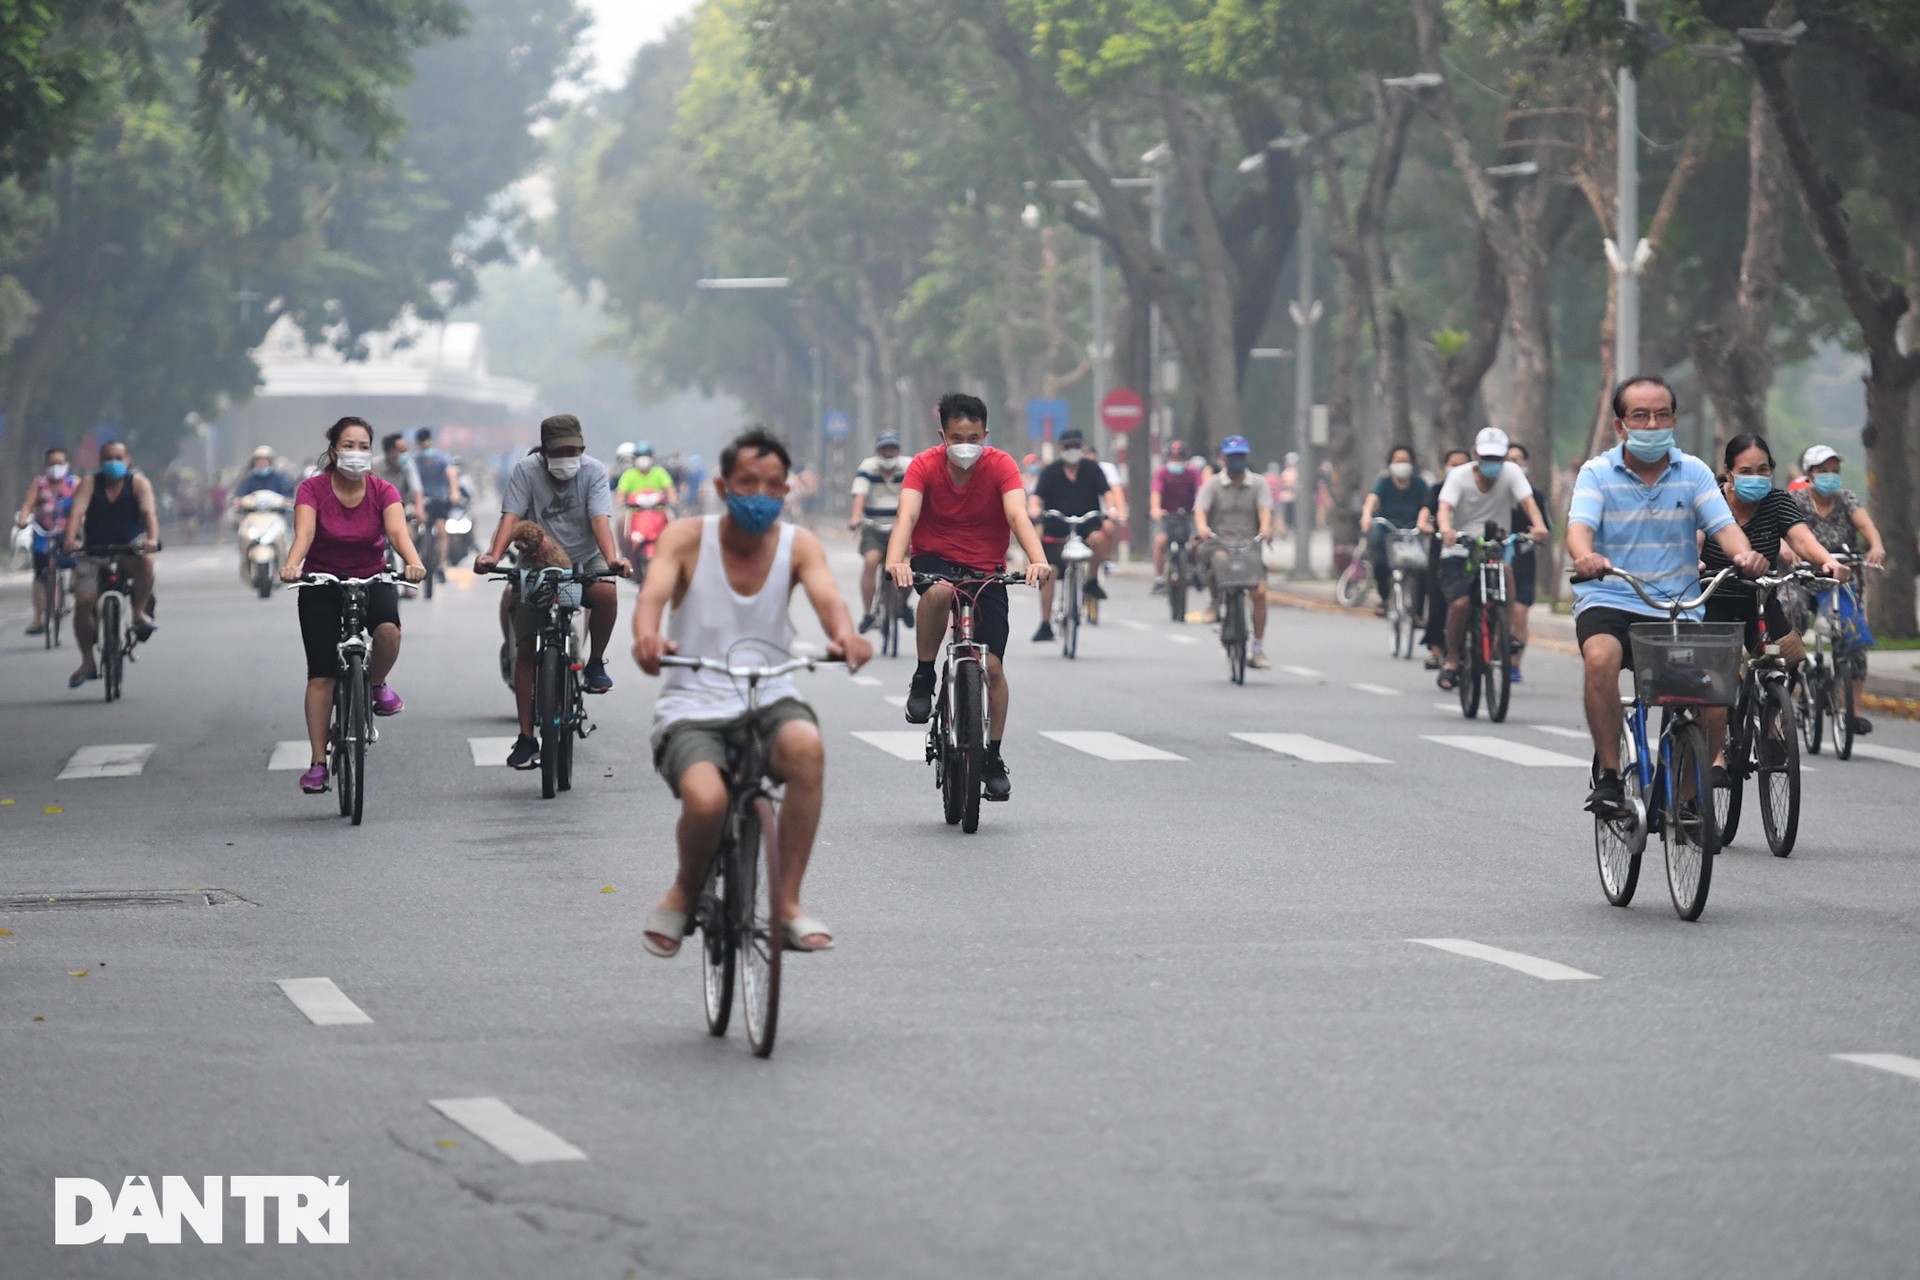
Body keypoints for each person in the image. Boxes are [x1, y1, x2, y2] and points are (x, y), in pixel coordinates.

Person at [631, 427, 873, 957]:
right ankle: (683, 889)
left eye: (772, 485)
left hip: (769, 693)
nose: (759, 495)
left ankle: (786, 904)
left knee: (807, 748)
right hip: (692, 702)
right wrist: (647, 637)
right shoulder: (686, 538)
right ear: (722, 485)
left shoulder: (798, 545)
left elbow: (828, 599)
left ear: (787, 491)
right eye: (747, 482)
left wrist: (846, 636)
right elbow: (652, 596)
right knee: (707, 799)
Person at [1569, 376, 1766, 817]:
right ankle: (1610, 776)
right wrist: (1585, 557)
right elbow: (1579, 528)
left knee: (1713, 700)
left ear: (1674, 420)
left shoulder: (1694, 472)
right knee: (1600, 659)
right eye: (1640, 415)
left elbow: (1725, 528)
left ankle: (1687, 799)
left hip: (1676, 607)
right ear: (1621, 425)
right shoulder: (1597, 472)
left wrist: (1745, 555)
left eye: (1661, 415)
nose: (1652, 423)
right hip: (1611, 598)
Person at [885, 393, 1052, 800]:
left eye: (973, 436)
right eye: (957, 436)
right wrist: (896, 561)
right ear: (942, 434)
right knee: (939, 593)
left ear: (986, 434)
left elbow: (1017, 515)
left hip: (986, 570)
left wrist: (1038, 559)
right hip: (935, 560)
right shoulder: (923, 466)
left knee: (992, 668)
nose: (966, 444)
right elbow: (906, 515)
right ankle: (924, 677)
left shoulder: (1001, 466)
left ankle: (992, 755)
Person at [473, 414, 633, 769]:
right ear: (544, 451)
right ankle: (527, 736)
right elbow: (511, 517)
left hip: (586, 556)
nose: (568, 457)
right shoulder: (526, 471)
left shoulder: (593, 472)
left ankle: (594, 664)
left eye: (574, 450)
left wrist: (613, 559)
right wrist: (493, 555)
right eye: (560, 451)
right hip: (537, 561)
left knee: (606, 595)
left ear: (583, 449)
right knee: (525, 648)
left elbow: (599, 520)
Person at [279, 417, 428, 794]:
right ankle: (317, 761)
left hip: (370, 576)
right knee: (321, 676)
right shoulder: (311, 489)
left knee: (389, 632)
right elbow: (306, 533)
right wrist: (293, 564)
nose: (357, 453)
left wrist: (413, 561)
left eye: (364, 446)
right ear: (333, 450)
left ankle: (376, 684)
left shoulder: (383, 490)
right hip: (321, 582)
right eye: (349, 445)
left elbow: (396, 532)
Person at [1700, 434, 1851, 773]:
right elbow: (1694, 539)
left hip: (1758, 598)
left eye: (1763, 469)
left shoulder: (1777, 502)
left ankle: (1769, 727)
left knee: (1792, 655)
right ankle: (1716, 753)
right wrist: (1690, 562)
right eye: (1746, 470)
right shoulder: (1709, 501)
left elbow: (1801, 538)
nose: (1756, 477)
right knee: (1714, 682)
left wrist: (1827, 562)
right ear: (1728, 472)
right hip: (1714, 600)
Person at [1435, 428, 1548, 691]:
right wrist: (1447, 530)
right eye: (1487, 457)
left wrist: (1539, 526)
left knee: (1506, 575)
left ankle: (1504, 632)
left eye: (1498, 458)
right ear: (1476, 454)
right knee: (1461, 604)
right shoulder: (1460, 477)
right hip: (1460, 548)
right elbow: (1445, 508)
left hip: (1494, 545)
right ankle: (1452, 660)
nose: (1493, 464)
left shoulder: (1512, 473)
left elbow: (1528, 502)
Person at [62, 441, 161, 688]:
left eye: (118, 457)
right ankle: (88, 661)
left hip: (130, 547)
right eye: (108, 458)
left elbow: (149, 513)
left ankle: (139, 612)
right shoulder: (90, 484)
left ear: (128, 460)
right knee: (84, 601)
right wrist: (70, 539)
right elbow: (76, 512)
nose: (114, 462)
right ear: (100, 461)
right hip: (94, 549)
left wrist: (152, 540)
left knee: (146, 562)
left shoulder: (138, 484)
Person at [1192, 435, 1275, 668]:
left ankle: (1257, 649)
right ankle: (1215, 600)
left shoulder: (1259, 483)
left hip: (1249, 545)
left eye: (1240, 456)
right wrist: (1202, 528)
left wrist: (1267, 528)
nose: (1236, 461)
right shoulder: (1212, 484)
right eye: (1232, 457)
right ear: (1222, 458)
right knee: (1217, 561)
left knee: (1259, 593)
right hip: (1219, 543)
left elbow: (1265, 509)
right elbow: (1200, 509)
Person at [1028, 428, 1113, 642]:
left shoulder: (1093, 470)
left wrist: (1112, 510)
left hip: (1087, 525)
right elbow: (1036, 498)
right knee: (1049, 572)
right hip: (1056, 528)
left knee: (1100, 538)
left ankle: (1091, 581)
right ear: (1060, 449)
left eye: (1076, 447)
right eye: (1068, 447)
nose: (1072, 451)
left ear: (1082, 448)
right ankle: (1046, 623)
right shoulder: (1050, 472)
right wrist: (1034, 510)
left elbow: (1108, 495)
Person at [849, 429, 910, 631]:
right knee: (871, 561)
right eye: (885, 449)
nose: (889, 453)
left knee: (908, 568)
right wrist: (856, 517)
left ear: (898, 450)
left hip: (902, 527)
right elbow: (860, 494)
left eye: (892, 448)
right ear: (878, 451)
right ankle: (868, 614)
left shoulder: (909, 467)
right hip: (873, 526)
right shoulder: (868, 467)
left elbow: (919, 494)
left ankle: (902, 603)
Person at [1359, 444, 1429, 619]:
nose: (1402, 464)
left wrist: (1425, 523)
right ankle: (1384, 597)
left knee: (1422, 569)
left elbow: (1427, 506)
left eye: (1405, 461)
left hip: (1413, 530)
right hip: (1387, 530)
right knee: (1380, 561)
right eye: (1398, 461)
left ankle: (1418, 612)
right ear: (1391, 463)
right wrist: (1366, 516)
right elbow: (1372, 500)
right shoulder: (1384, 483)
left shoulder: (1420, 485)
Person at [15, 446, 77, 635]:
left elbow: (83, 507)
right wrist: (23, 520)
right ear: (45, 465)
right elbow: (28, 503)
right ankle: (37, 619)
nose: (56, 467)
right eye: (52, 463)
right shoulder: (40, 484)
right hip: (43, 532)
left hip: (68, 532)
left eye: (60, 463)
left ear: (66, 464)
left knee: (78, 560)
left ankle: (73, 587)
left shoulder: (74, 483)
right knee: (40, 575)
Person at [1419, 448, 1471, 669]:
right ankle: (1436, 649)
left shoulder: (1475, 490)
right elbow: (1425, 513)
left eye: (1463, 464)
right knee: (1439, 599)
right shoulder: (1438, 490)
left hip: (1471, 548)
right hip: (1442, 549)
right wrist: (1427, 527)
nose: (1457, 468)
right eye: (1453, 464)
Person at [1795, 445, 1887, 566]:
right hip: (1806, 575)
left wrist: (1876, 545)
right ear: (1808, 474)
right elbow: (1781, 529)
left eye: (1835, 471)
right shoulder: (1795, 501)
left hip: (1846, 572)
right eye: (1823, 471)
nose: (1830, 476)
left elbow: (1865, 524)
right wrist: (1787, 548)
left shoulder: (1846, 498)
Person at [1503, 441, 1549, 683]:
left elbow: (1545, 528)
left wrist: (1537, 533)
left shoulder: (1535, 497)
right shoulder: (1493, 493)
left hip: (1523, 560)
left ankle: (1514, 663)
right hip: (1495, 560)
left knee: (1520, 612)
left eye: (1518, 459)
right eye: (1509, 459)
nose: (1514, 464)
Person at [410, 427, 461, 580]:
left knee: (442, 531)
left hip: (440, 499)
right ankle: (414, 560)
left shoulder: (442, 458)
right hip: (421, 500)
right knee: (414, 528)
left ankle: (441, 565)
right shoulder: (414, 460)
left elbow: (451, 474)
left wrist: (454, 492)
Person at [1151, 441, 1200, 594]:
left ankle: (1196, 570)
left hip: (1189, 514)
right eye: (1173, 459)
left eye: (1179, 459)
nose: (1176, 462)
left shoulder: (1193, 473)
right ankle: (1159, 578)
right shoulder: (1161, 473)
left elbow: (1201, 492)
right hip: (1167, 515)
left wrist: (1199, 511)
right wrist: (1155, 510)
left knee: (1197, 541)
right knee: (1160, 541)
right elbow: (1156, 493)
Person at [614, 441, 676, 559]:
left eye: (646, 456)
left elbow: (670, 489)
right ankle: (625, 552)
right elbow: (621, 494)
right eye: (640, 456)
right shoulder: (629, 475)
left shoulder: (659, 473)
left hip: (658, 511)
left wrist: (672, 499)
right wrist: (622, 501)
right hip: (635, 513)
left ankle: (675, 550)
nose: (643, 459)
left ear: (652, 458)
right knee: (621, 521)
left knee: (673, 522)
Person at [377, 433, 427, 528]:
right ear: (389, 452)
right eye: (401, 451)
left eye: (406, 451)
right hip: (380, 511)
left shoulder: (408, 465)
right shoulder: (375, 467)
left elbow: (416, 489)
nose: (405, 455)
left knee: (407, 532)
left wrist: (419, 509)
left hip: (402, 509)